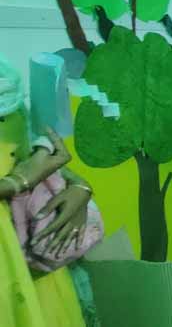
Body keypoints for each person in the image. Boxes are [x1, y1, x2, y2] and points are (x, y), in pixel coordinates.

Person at [2, 53, 99, 327]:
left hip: (37, 273)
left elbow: (27, 163)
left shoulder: (8, 88)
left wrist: (79, 186)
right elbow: (23, 175)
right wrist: (16, 183)